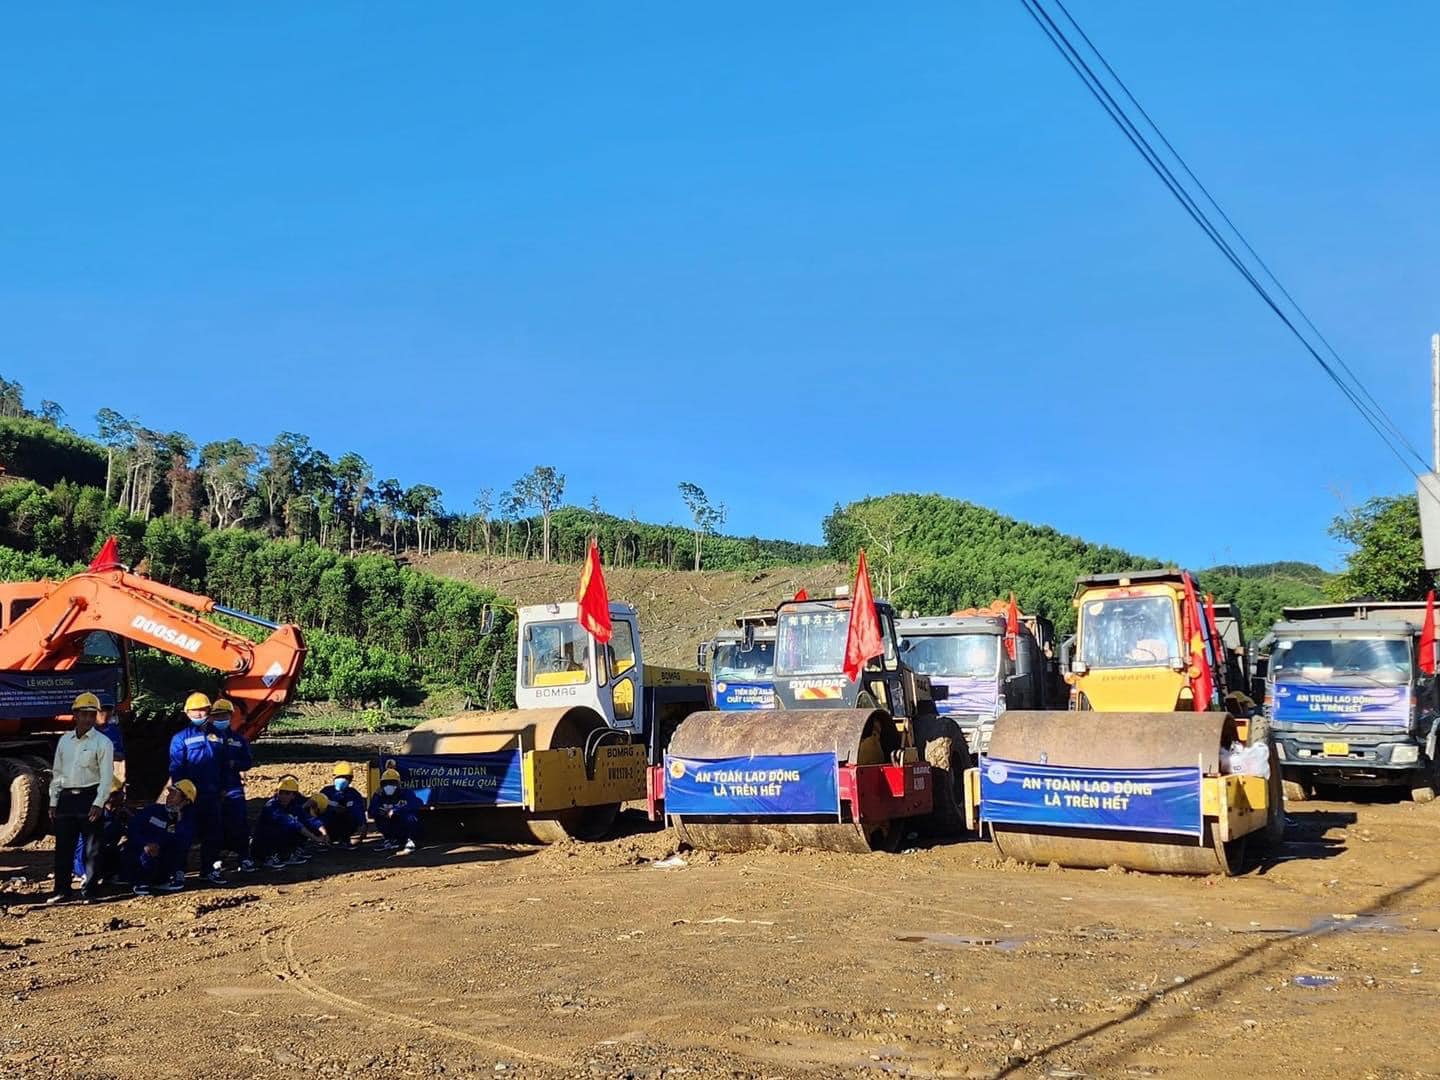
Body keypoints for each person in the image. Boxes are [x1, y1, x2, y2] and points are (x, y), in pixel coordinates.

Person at [47, 692, 116, 905]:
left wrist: (98, 803)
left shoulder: (103, 743)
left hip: (89, 797)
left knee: (92, 848)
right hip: (66, 799)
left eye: (91, 714)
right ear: (75, 715)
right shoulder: (64, 741)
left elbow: (106, 777)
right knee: (63, 848)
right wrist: (53, 801)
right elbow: (57, 773)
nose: (87, 718)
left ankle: (90, 890)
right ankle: (62, 890)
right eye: (83, 714)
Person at [168, 691, 226, 885]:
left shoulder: (219, 736)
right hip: (189, 797)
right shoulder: (180, 738)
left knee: (213, 835)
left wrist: (224, 787)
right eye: (195, 711)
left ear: (209, 711)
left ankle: (209, 870)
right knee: (184, 834)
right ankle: (178, 871)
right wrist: (180, 794)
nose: (200, 714)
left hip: (212, 794)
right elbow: (176, 768)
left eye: (203, 710)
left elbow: (224, 764)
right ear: (187, 713)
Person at [127, 780, 197, 896]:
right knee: (142, 852)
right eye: (170, 793)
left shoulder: (186, 821)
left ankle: (162, 880)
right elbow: (133, 829)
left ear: (185, 801)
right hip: (140, 852)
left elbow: (184, 843)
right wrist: (145, 844)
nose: (169, 797)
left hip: (162, 859)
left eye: (174, 794)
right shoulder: (152, 810)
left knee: (174, 849)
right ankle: (140, 882)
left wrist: (179, 822)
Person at [209, 698, 255, 872]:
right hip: (212, 787)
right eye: (217, 715)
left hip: (233, 787)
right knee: (215, 824)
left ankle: (244, 857)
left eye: (224, 715)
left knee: (239, 822)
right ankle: (216, 858)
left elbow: (247, 762)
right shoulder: (207, 739)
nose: (221, 718)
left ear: (230, 716)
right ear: (212, 717)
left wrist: (235, 764)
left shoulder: (238, 740)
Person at [250, 777, 325, 869]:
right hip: (262, 843)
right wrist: (315, 838)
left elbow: (309, 819)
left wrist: (323, 832)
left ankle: (288, 853)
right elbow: (293, 824)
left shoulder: (294, 806)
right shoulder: (272, 806)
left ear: (294, 795)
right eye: (281, 792)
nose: (283, 796)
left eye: (287, 793)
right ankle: (269, 857)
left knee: (301, 826)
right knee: (284, 828)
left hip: (279, 839)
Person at [75, 776, 130, 894]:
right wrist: (86, 872)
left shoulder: (121, 814)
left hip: (106, 856)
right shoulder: (93, 816)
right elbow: (80, 846)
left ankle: (112, 874)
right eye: (118, 793)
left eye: (122, 792)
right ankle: (87, 876)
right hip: (87, 861)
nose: (122, 795)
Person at [369, 763, 423, 854]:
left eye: (392, 783)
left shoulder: (406, 793)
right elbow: (371, 810)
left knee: (410, 817)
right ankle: (389, 840)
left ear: (398, 784)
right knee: (379, 818)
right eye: (386, 783)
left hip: (402, 823)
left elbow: (416, 804)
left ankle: (410, 841)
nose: (388, 785)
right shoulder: (378, 795)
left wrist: (396, 810)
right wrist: (379, 811)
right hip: (388, 824)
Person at [320, 762, 368, 848]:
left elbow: (359, 810)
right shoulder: (326, 792)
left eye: (345, 777)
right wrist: (332, 809)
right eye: (339, 777)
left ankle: (345, 840)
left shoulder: (353, 794)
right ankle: (325, 840)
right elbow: (317, 809)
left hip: (347, 826)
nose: (342, 779)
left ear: (350, 780)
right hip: (328, 826)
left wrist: (363, 825)